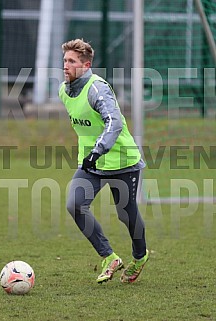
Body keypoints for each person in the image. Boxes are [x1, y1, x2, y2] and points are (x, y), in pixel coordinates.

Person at [58, 38, 148, 284]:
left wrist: (97, 150)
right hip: (92, 164)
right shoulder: (63, 91)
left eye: (72, 61)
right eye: (65, 60)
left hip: (121, 161)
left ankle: (140, 256)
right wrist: (91, 156)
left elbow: (114, 123)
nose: (65, 65)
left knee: (126, 215)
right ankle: (109, 257)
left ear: (86, 65)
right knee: (75, 205)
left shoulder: (98, 89)